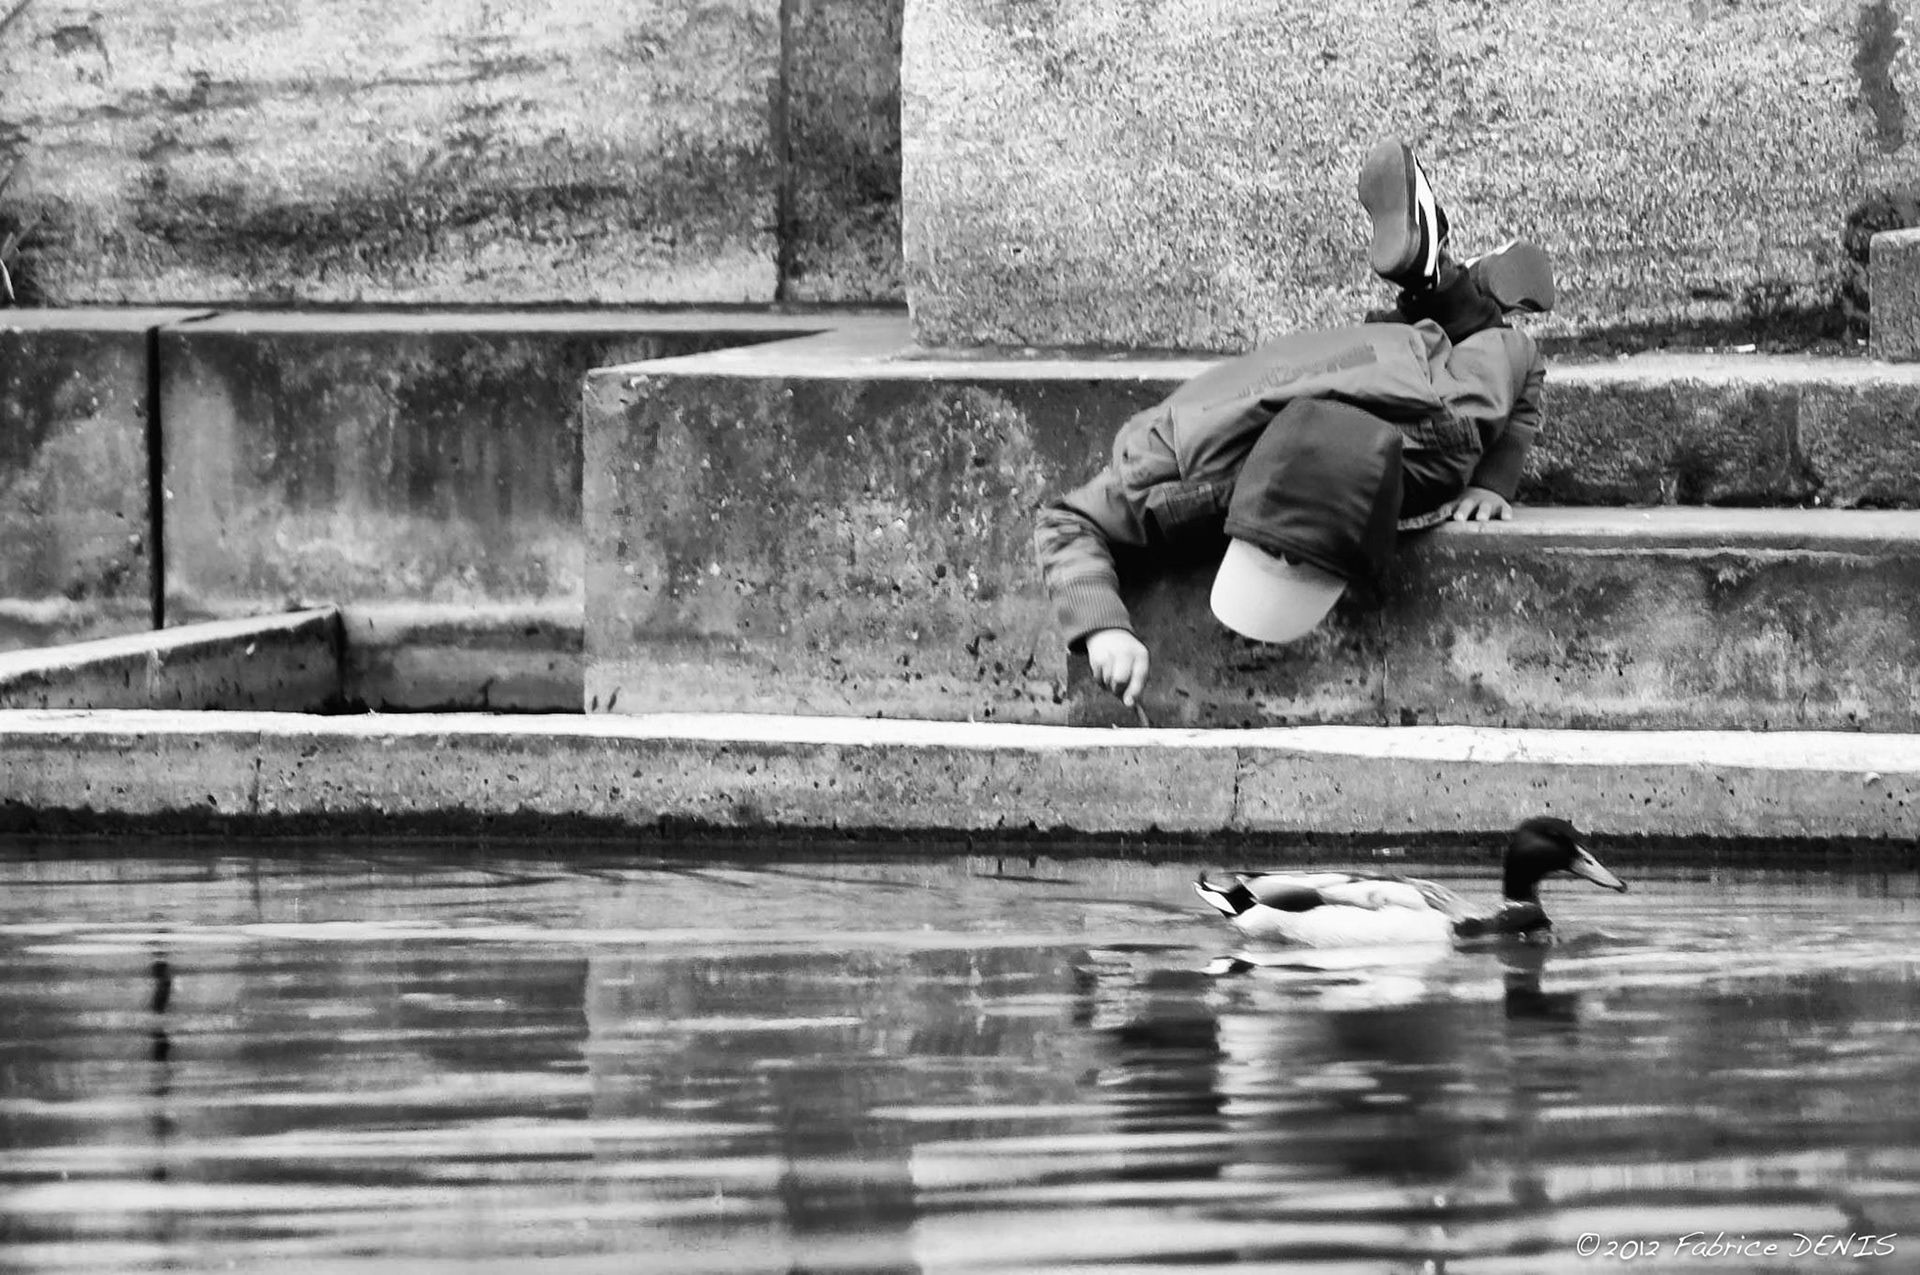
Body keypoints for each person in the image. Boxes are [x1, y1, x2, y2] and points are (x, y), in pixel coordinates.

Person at [1033, 140, 1554, 709]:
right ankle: (1442, 284)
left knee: (1478, 337)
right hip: (1249, 397)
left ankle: (1454, 290)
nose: (1280, 571)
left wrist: (1491, 480)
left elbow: (1521, 358)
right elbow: (1066, 520)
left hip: (1393, 371)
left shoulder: (1450, 441)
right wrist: (1102, 626)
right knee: (1458, 344)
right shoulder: (1169, 476)